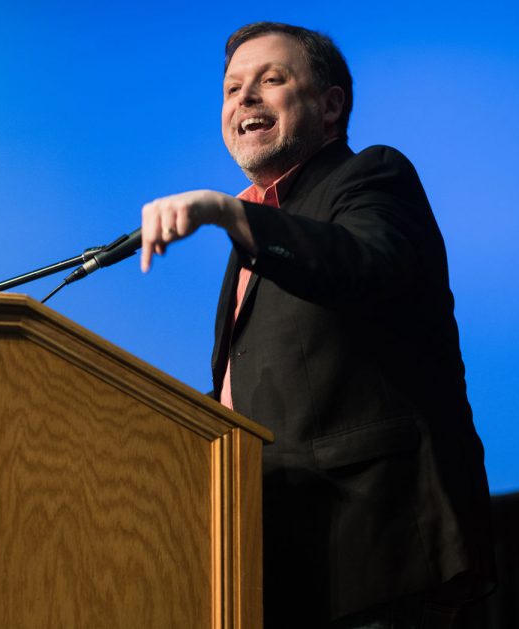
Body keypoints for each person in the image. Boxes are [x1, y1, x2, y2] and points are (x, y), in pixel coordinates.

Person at [140, 22, 496, 628]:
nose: (244, 99)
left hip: (377, 552)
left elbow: (364, 265)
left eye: (270, 80)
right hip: (277, 560)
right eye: (232, 89)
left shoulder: (371, 177)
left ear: (330, 105)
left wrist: (230, 214)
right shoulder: (254, 228)